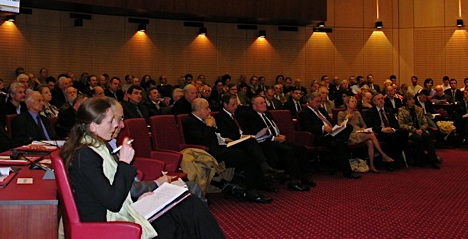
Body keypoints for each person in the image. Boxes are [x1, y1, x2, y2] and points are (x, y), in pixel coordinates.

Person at [60, 97, 225, 239]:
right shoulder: (85, 155)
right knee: (186, 210)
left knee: (186, 203)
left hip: (113, 211)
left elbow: (108, 192)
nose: (116, 125)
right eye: (111, 121)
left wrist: (136, 200)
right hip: (105, 222)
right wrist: (124, 163)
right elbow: (113, 202)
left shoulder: (93, 147)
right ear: (93, 127)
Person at [183, 98, 272, 203]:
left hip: (221, 146)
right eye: (207, 108)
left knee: (250, 142)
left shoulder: (205, 119)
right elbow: (202, 140)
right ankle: (253, 189)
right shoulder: (189, 121)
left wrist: (223, 138)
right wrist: (209, 126)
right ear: (199, 109)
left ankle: (263, 167)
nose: (209, 111)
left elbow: (215, 135)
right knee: (247, 157)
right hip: (209, 153)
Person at [239, 96, 314, 191]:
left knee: (301, 149)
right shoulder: (252, 117)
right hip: (267, 142)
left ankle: (305, 177)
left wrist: (280, 135)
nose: (264, 104)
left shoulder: (268, 114)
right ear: (254, 107)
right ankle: (293, 181)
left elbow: (275, 128)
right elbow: (256, 135)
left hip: (278, 139)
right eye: (261, 103)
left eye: (264, 102)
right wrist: (275, 138)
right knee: (288, 151)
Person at [299, 92, 359, 179]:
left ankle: (336, 148)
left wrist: (337, 127)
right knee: (340, 143)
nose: (319, 104)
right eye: (317, 101)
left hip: (332, 133)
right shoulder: (305, 113)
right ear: (310, 101)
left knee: (348, 127)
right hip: (320, 136)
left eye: (320, 102)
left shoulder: (322, 110)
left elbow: (331, 122)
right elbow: (307, 127)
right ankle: (347, 172)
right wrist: (322, 128)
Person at [338, 96, 394, 173]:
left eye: (355, 102)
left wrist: (362, 129)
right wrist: (346, 118)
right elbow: (340, 127)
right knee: (371, 134)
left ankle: (371, 165)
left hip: (359, 133)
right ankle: (383, 155)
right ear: (347, 104)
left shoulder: (357, 113)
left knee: (370, 142)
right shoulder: (341, 113)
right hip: (350, 134)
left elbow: (364, 124)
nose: (354, 104)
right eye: (352, 102)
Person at [364, 94, 409, 170]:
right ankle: (391, 162)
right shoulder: (371, 112)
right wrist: (382, 129)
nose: (381, 100)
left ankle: (396, 156)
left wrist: (393, 129)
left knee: (404, 133)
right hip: (379, 132)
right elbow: (370, 125)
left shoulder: (389, 110)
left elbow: (395, 123)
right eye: (378, 99)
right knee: (392, 138)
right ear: (374, 102)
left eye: (382, 98)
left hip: (391, 130)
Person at [397, 94, 440, 169]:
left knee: (427, 137)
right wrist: (414, 130)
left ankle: (433, 159)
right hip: (410, 131)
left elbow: (425, 122)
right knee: (418, 139)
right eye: (410, 100)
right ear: (406, 102)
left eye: (413, 99)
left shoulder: (419, 109)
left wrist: (422, 129)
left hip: (420, 130)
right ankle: (421, 160)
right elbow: (401, 124)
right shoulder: (401, 110)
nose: (412, 101)